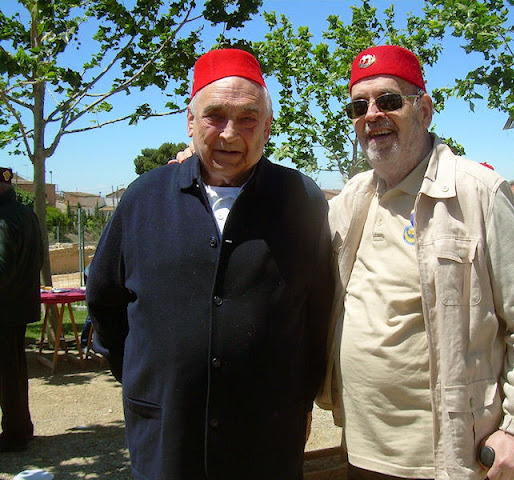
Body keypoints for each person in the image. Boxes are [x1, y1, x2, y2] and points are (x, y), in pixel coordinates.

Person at [87, 48, 334, 479]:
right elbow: (106, 302)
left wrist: (299, 397)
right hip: (168, 433)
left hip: (267, 436)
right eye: (214, 115)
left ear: (268, 127)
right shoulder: (143, 198)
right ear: (189, 122)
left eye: (247, 118)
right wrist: (151, 379)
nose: (229, 133)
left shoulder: (302, 199)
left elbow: (319, 312)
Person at [316, 45, 514, 480]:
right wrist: (202, 172)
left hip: (452, 454)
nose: (372, 114)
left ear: (425, 110)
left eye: (389, 101)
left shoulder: (478, 192)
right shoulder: (352, 197)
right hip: (362, 447)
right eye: (359, 105)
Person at [0, 167, 43, 453]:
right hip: (16, 307)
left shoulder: (4, 218)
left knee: (8, 374)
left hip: (3, 309)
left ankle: (16, 433)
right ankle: (19, 429)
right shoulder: (26, 213)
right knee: (12, 374)